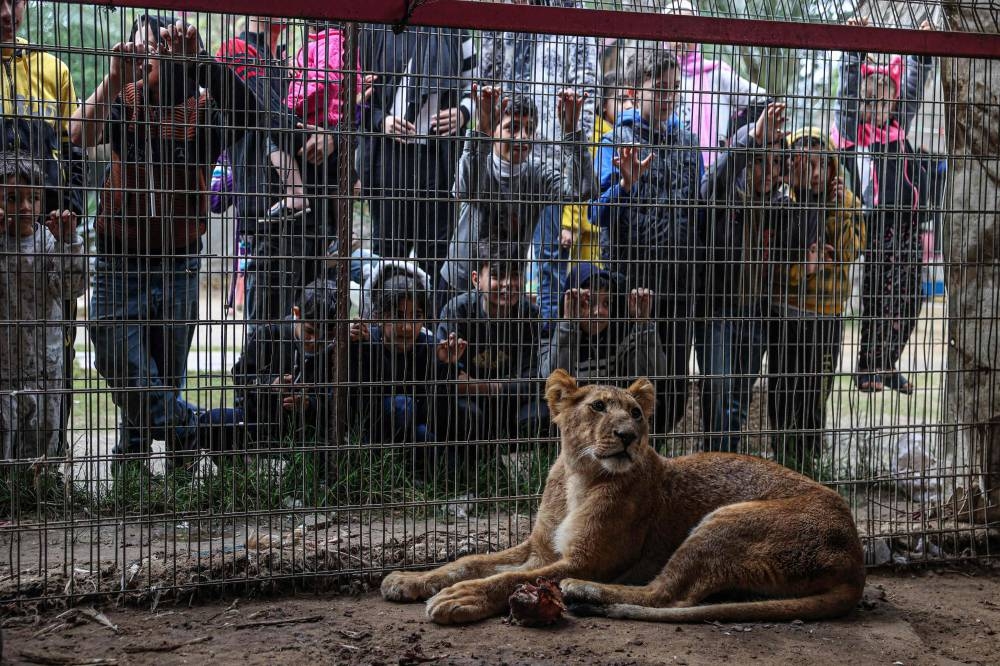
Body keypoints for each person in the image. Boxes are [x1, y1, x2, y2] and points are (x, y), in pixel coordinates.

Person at [70, 16, 255, 468]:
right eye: (135, 49)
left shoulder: (201, 109)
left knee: (163, 375)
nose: (142, 56)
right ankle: (206, 430)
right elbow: (78, 134)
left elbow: (251, 116)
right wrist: (114, 77)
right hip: (119, 259)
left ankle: (147, 464)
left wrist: (201, 61)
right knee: (121, 364)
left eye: (150, 49)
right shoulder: (124, 99)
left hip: (178, 261)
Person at [590, 48, 703, 433]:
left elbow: (698, 212)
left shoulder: (689, 144)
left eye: (675, 88)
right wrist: (624, 186)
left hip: (679, 285)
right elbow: (596, 214)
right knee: (631, 390)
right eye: (660, 88)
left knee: (672, 393)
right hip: (629, 283)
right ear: (633, 92)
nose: (669, 96)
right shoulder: (616, 140)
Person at [473, 5, 599, 320]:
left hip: (549, 160)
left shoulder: (573, 8)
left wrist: (571, 137)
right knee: (490, 261)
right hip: (499, 160)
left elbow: (584, 88)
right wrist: (488, 131)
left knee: (549, 264)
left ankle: (544, 345)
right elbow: (488, 71)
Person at [833, 19, 936, 395]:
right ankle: (867, 368)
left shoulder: (896, 128)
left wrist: (921, 53)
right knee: (879, 294)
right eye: (870, 99)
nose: (878, 104)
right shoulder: (852, 134)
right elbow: (845, 94)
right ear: (861, 104)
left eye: (884, 98)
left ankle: (887, 361)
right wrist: (854, 52)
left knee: (912, 297)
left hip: (907, 223)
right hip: (878, 222)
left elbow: (913, 83)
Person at [1, 0, 85, 457]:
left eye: (12, 1)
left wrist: (68, 216)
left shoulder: (52, 68)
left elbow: (73, 149)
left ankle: (47, 465)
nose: (5, 13)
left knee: (57, 345)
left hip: (45, 240)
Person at [767, 128, 864, 475]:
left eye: (820, 165)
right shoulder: (782, 204)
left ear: (833, 167)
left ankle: (808, 463)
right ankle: (783, 460)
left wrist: (837, 207)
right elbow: (770, 266)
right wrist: (803, 270)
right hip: (787, 314)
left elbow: (851, 252)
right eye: (803, 164)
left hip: (827, 316)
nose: (813, 174)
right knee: (782, 389)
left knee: (815, 393)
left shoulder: (847, 201)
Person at [695, 102, 791, 452]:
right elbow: (708, 188)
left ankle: (728, 465)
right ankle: (715, 464)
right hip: (718, 311)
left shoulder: (781, 206)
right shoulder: (725, 196)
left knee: (738, 400)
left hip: (756, 314)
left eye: (776, 162)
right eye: (759, 160)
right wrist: (753, 138)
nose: (768, 170)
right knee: (718, 391)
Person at [357, 24, 475, 297]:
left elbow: (474, 86)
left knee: (437, 253)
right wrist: (381, 121)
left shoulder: (456, 28)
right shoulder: (377, 27)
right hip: (390, 157)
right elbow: (354, 97)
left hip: (439, 158)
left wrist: (463, 113)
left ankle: (434, 332)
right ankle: (381, 327)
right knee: (387, 252)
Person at [440, 86, 592, 295]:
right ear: (494, 130)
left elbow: (582, 191)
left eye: (529, 129)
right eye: (513, 127)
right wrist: (481, 129)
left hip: (507, 288)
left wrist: (571, 131)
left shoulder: (538, 173)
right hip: (461, 282)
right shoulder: (480, 162)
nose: (522, 137)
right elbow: (466, 190)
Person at [0, 152, 86, 460]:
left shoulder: (49, 242)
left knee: (42, 450)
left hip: (45, 371)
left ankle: (38, 501)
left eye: (32, 199)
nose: (24, 207)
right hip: (4, 374)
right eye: (12, 198)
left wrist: (68, 244)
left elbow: (70, 289)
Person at [349, 273, 467, 475]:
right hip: (373, 435)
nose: (407, 327)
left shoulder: (429, 346)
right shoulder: (366, 341)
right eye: (398, 315)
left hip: (416, 432)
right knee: (403, 407)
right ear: (380, 316)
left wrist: (445, 365)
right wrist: (363, 348)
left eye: (416, 316)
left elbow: (440, 411)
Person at [438, 239, 545, 441]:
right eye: (497, 276)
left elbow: (533, 379)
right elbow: (449, 377)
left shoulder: (530, 315)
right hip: (473, 403)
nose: (508, 284)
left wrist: (481, 386)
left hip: (512, 403)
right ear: (476, 279)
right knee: (464, 414)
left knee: (541, 414)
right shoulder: (457, 311)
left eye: (515, 275)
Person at [538, 263, 666, 424]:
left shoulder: (618, 332)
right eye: (589, 302)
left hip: (615, 418)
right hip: (573, 421)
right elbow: (550, 378)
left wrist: (643, 323)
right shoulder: (553, 329)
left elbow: (654, 374)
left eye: (606, 303)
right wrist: (569, 323)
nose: (600, 311)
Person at [224, 280, 339, 450]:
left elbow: (340, 400)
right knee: (217, 420)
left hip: (311, 432)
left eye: (327, 335)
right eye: (310, 331)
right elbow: (240, 375)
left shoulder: (338, 349)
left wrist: (309, 405)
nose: (316, 341)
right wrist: (270, 384)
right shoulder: (269, 333)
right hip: (263, 422)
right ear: (296, 313)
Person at [660, 0, 768, 165]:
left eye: (688, 27)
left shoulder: (715, 73)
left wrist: (732, 131)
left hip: (717, 170)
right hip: (672, 169)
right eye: (675, 27)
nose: (680, 34)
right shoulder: (657, 78)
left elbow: (764, 100)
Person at [558, 70, 629, 275]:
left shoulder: (629, 135)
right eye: (620, 99)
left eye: (630, 100)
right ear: (604, 105)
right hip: (586, 228)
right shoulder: (593, 135)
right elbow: (577, 178)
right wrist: (569, 225)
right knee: (585, 281)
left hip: (612, 230)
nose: (627, 105)